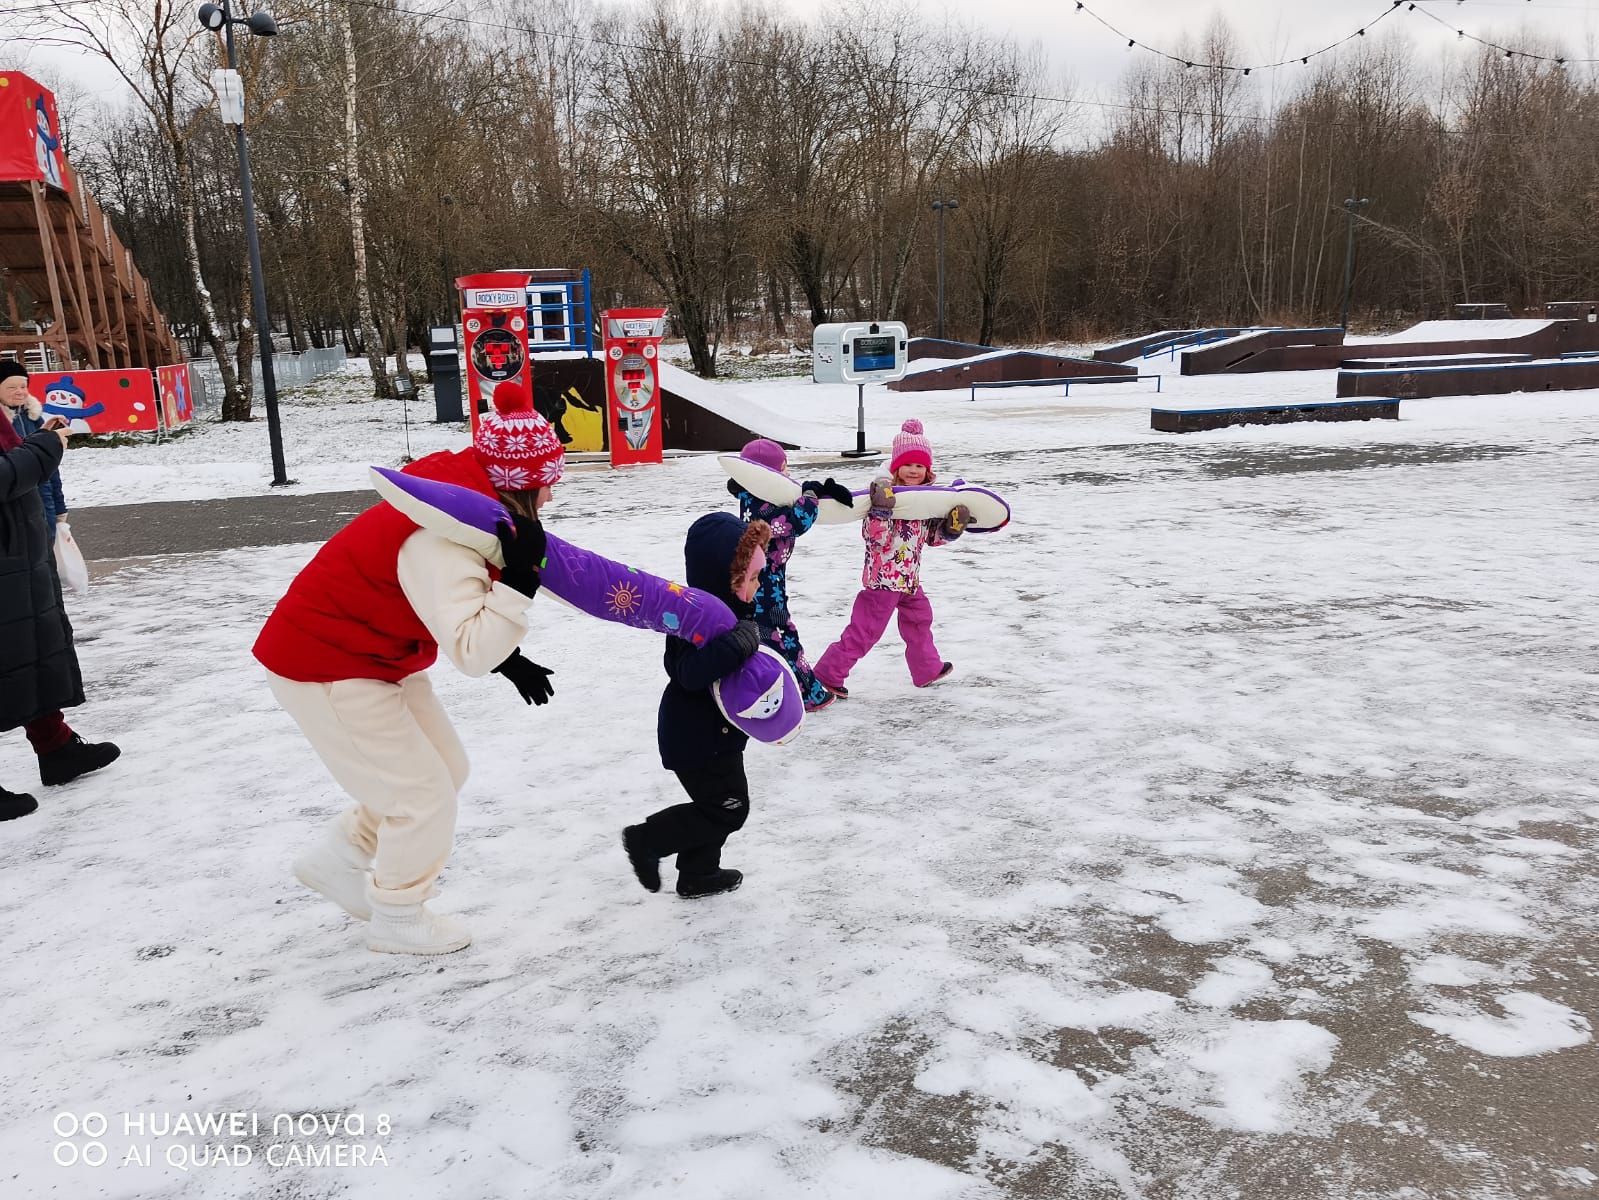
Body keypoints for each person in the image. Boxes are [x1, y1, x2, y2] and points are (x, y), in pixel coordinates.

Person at [252, 381, 562, 955]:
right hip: (327, 662)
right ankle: (397, 916)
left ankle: (340, 857)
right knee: (423, 797)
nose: (551, 496)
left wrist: (510, 659)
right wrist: (519, 585)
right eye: (546, 484)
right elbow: (469, 648)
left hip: (372, 652)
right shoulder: (441, 536)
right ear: (520, 484)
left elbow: (442, 606)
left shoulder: (459, 500)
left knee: (447, 768)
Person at [622, 513, 771, 899]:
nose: (758, 586)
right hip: (695, 739)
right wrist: (739, 644)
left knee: (717, 804)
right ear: (728, 578)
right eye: (753, 577)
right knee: (727, 809)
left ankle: (698, 873)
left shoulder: (733, 613)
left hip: (717, 737)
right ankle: (647, 840)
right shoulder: (692, 620)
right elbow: (688, 673)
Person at [0, 373, 121, 821]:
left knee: (32, 654)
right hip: (9, 558)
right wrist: (45, 447)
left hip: (19, 558)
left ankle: (57, 749)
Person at [814, 419, 969, 696]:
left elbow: (930, 538)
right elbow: (874, 539)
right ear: (896, 467)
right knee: (865, 631)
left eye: (920, 465)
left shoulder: (923, 501)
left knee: (920, 621)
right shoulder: (884, 496)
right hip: (883, 583)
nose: (914, 470)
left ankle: (926, 669)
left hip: (909, 581)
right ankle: (827, 674)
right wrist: (882, 511)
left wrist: (950, 529)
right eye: (907, 464)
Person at [725, 439, 852, 712]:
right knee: (782, 635)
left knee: (766, 636)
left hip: (766, 582)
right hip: (764, 587)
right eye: (784, 470)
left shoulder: (753, 498)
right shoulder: (761, 506)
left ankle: (767, 685)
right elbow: (796, 522)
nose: (788, 476)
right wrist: (811, 496)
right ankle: (808, 693)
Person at [1, 362, 68, 545]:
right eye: (11, 387)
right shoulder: (3, 426)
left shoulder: (33, 417)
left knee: (47, 551)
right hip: (15, 508)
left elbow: (50, 467)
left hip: (44, 502)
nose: (19, 392)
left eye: (23, 386)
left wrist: (59, 507)